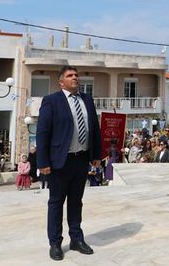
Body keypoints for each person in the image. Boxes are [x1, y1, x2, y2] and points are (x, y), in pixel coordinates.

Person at [36, 66, 101, 261]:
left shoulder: (87, 100)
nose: (75, 78)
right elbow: (43, 132)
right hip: (59, 162)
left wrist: (96, 154)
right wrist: (43, 161)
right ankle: (55, 243)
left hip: (81, 159)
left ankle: (76, 239)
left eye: (76, 75)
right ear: (61, 82)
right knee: (56, 202)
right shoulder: (51, 101)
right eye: (70, 75)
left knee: (76, 201)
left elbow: (94, 128)